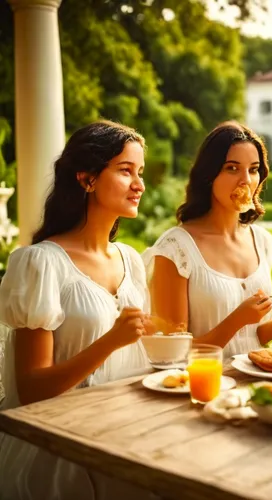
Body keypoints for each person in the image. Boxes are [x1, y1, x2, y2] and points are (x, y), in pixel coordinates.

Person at [0, 120, 159, 499]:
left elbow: (135, 356)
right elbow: (32, 388)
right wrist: (112, 340)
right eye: (125, 171)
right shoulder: (40, 264)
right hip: (60, 454)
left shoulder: (131, 261)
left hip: (126, 441)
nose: (139, 184)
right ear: (87, 179)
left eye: (140, 173)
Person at [142, 121, 272, 358]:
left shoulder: (261, 241)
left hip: (253, 383)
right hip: (201, 387)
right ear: (209, 175)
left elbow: (250, 338)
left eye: (253, 169)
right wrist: (236, 320)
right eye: (232, 168)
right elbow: (172, 352)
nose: (245, 181)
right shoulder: (176, 248)